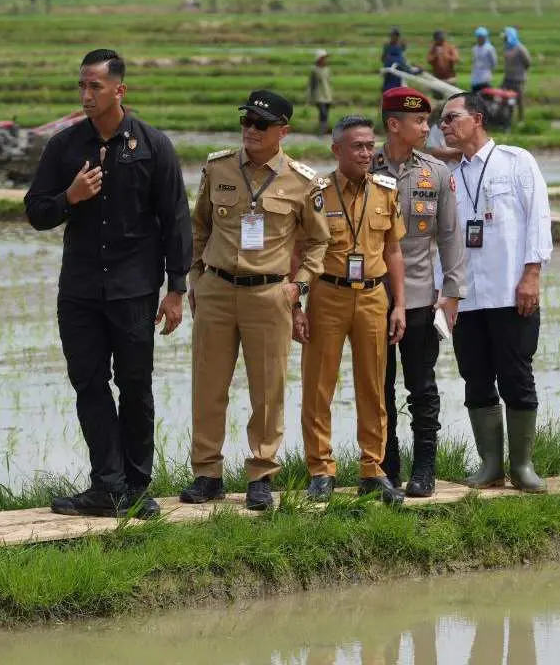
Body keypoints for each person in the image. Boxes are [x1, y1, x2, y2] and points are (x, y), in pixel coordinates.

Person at [24, 49, 191, 519]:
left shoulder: (153, 145)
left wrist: (176, 289)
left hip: (134, 289)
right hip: (79, 292)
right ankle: (107, 485)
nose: (86, 95)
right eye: (81, 86)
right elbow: (36, 210)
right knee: (89, 384)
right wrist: (70, 197)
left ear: (120, 90)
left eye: (95, 87)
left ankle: (138, 486)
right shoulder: (64, 147)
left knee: (135, 385)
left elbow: (175, 218)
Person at [184, 90, 330, 511]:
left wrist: (297, 288)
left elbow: (320, 243)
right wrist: (195, 277)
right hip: (215, 289)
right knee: (208, 387)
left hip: (269, 295)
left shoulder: (303, 182)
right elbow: (199, 228)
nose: (250, 130)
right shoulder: (218, 167)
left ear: (282, 131)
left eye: (260, 124)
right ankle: (207, 473)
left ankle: (261, 475)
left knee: (268, 390)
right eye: (246, 121)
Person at [438, 91, 552, 493]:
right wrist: (445, 293)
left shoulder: (516, 162)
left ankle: (522, 466)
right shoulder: (448, 175)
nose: (444, 126)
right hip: (466, 297)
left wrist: (532, 275)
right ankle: (490, 466)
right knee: (476, 377)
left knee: (517, 375)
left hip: (510, 291)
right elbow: (445, 239)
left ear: (478, 118)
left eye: (451, 118)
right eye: (441, 121)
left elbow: (538, 219)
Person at [295, 115, 407, 505]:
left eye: (369, 145)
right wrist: (297, 304)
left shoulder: (386, 191)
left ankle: (372, 469)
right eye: (357, 146)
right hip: (327, 294)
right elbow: (300, 251)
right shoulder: (317, 193)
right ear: (337, 149)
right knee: (318, 385)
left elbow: (393, 251)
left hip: (375, 296)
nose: (366, 153)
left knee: (373, 387)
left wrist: (400, 306)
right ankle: (320, 469)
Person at [373, 87, 467, 497]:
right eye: (420, 122)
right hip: (371, 297)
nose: (429, 128)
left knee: (421, 386)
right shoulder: (363, 166)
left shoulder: (436, 173)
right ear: (395, 125)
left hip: (419, 297)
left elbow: (450, 238)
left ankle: (425, 468)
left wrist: (452, 293)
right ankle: (386, 468)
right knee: (378, 388)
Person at [501, 27, 532, 122]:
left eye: (506, 37)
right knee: (507, 100)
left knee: (519, 100)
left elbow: (528, 62)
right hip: (508, 78)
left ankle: (521, 120)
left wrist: (520, 72)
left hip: (518, 80)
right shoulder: (506, 48)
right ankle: (508, 120)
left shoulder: (520, 49)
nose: (504, 39)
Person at [308, 50, 334, 135]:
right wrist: (311, 97)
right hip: (319, 96)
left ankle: (323, 130)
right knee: (323, 113)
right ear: (318, 59)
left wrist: (332, 95)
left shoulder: (327, 69)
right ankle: (322, 132)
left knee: (325, 115)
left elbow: (329, 83)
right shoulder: (314, 70)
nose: (325, 60)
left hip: (328, 95)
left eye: (325, 58)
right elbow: (312, 85)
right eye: (323, 58)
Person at [381, 27, 411, 92]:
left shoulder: (401, 45)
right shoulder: (387, 46)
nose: (394, 37)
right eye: (393, 35)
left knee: (398, 88)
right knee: (388, 88)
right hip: (390, 71)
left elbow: (403, 56)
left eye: (396, 36)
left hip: (399, 71)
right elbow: (383, 58)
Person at [470, 27, 498, 92]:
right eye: (478, 37)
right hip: (475, 77)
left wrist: (487, 70)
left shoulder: (490, 49)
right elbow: (474, 62)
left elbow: (494, 63)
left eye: (482, 37)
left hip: (485, 77)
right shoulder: (475, 48)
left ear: (485, 37)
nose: (480, 39)